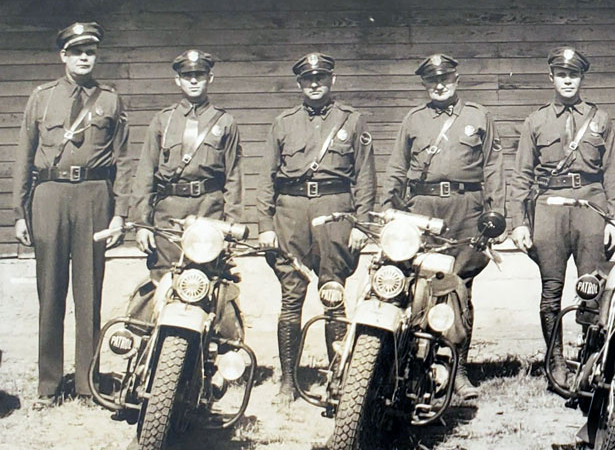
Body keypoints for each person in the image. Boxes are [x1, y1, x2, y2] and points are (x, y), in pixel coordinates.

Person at [12, 22, 131, 407]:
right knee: (50, 291)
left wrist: (120, 214)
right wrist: (19, 212)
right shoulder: (42, 98)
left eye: (90, 51)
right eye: (77, 50)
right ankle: (49, 384)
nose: (84, 57)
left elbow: (124, 162)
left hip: (94, 196)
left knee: (89, 290)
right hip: (49, 195)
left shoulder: (109, 99)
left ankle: (87, 382)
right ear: (63, 55)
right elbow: (23, 157)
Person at [384, 53, 505, 400]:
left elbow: (493, 167)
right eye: (431, 80)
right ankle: (414, 368)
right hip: (423, 207)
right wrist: (389, 207)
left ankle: (459, 370)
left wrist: (496, 213)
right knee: (418, 284)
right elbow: (396, 166)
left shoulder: (478, 117)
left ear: (456, 79)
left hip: (466, 209)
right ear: (424, 84)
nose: (439, 85)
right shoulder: (414, 120)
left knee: (460, 285)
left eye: (445, 79)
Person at [257, 53, 375, 403]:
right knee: (291, 296)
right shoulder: (283, 123)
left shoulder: (352, 121)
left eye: (321, 77)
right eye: (308, 79)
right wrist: (265, 224)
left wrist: (363, 224)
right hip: (290, 213)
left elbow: (366, 177)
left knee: (334, 295)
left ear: (331, 80)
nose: (314, 84)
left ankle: (337, 379)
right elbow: (265, 178)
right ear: (299, 84)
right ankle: (288, 382)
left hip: (335, 210)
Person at [508, 47, 615, 386]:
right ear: (552, 78)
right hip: (550, 210)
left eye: (574, 74)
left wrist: (613, 219)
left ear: (582, 78)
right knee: (551, 290)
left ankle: (589, 360)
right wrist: (519, 223)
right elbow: (521, 176)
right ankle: (555, 361)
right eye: (562, 74)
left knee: (593, 288)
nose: (568, 80)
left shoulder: (600, 119)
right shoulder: (536, 121)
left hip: (591, 207)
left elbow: (612, 172)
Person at [124, 50, 243, 328]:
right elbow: (145, 174)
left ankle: (214, 352)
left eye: (199, 75)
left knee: (211, 283)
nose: (193, 81)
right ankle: (149, 354)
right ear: (177, 80)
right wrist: (143, 223)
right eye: (187, 76)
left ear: (209, 78)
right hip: (168, 214)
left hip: (208, 211)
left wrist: (232, 226)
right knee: (163, 281)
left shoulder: (224, 123)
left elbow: (234, 177)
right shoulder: (162, 121)